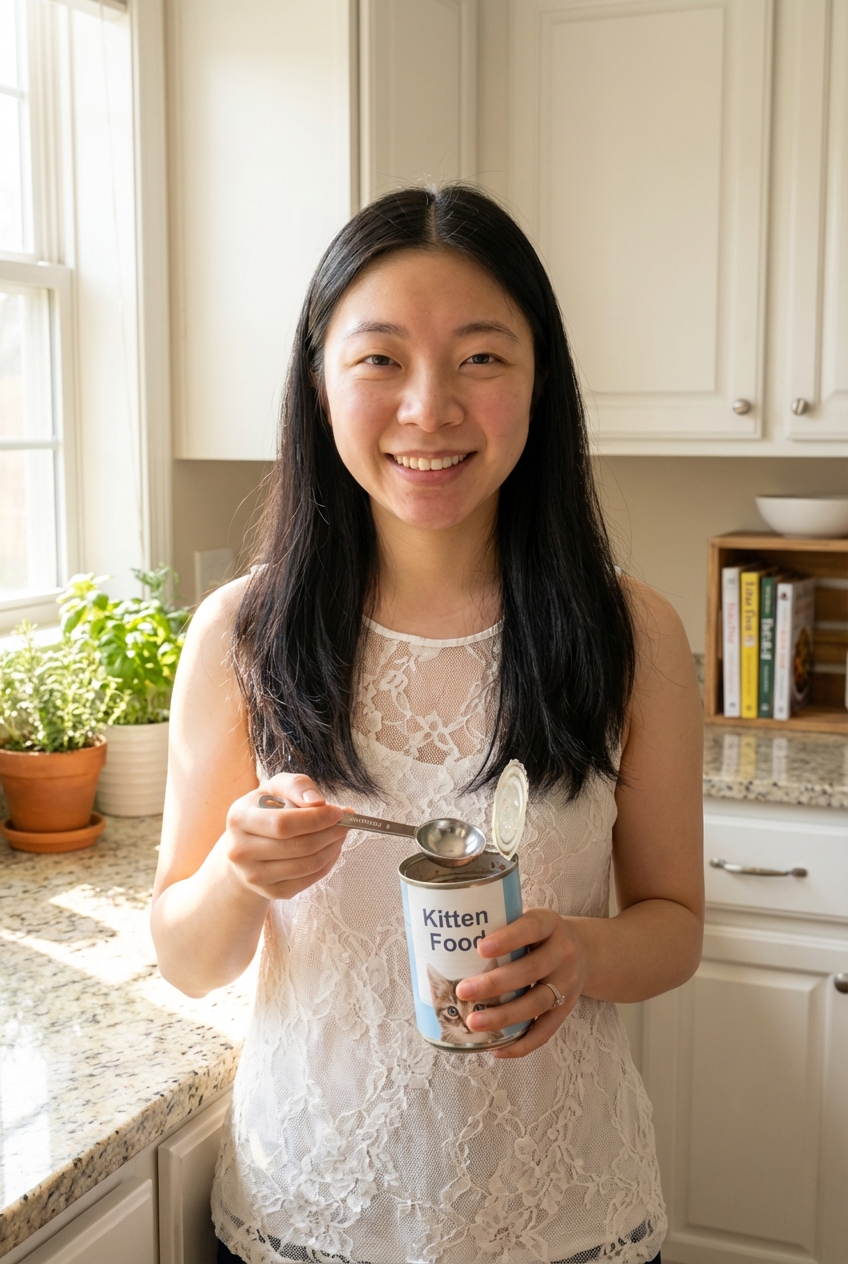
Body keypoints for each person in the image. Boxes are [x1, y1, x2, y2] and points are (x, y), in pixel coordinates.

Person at [151, 185, 704, 1264]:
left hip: (564, 1219)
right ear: (319, 381)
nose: (429, 408)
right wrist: (238, 869)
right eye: (380, 359)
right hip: (304, 1216)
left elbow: (674, 922)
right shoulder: (241, 633)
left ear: (539, 378)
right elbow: (186, 955)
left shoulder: (629, 629)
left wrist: (582, 954)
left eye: (480, 358)